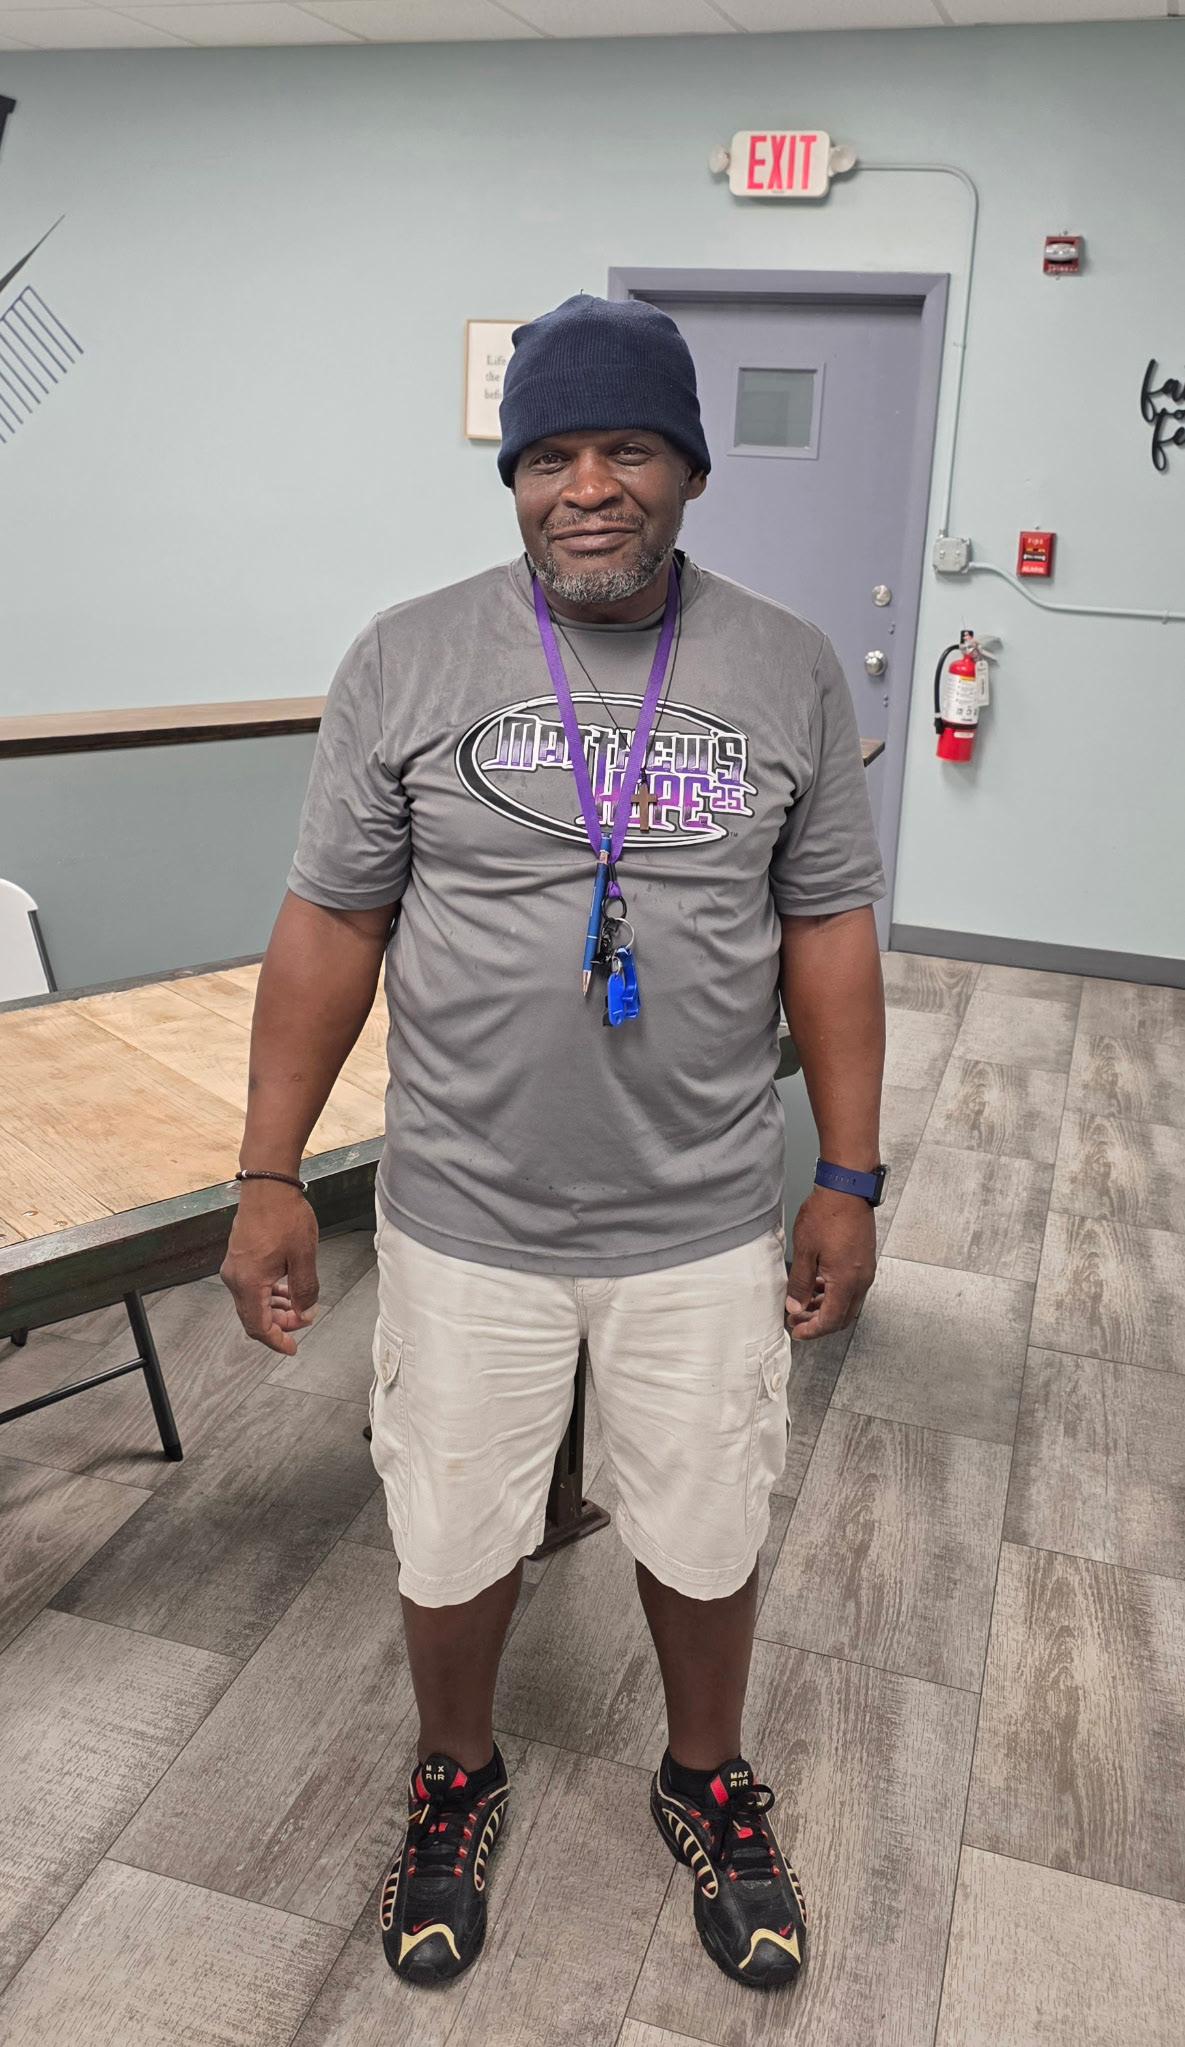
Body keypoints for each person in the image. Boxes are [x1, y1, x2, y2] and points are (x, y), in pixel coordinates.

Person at [221, 293, 886, 1994]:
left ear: (690, 470)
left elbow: (826, 930)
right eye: (549, 457)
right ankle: (455, 1774)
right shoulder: (408, 657)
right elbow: (333, 923)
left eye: (627, 450)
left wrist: (845, 1173)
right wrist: (270, 1170)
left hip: (701, 1213)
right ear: (513, 478)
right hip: (464, 1212)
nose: (587, 488)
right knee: (451, 1531)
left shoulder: (788, 667)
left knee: (708, 1524)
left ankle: (704, 1778)